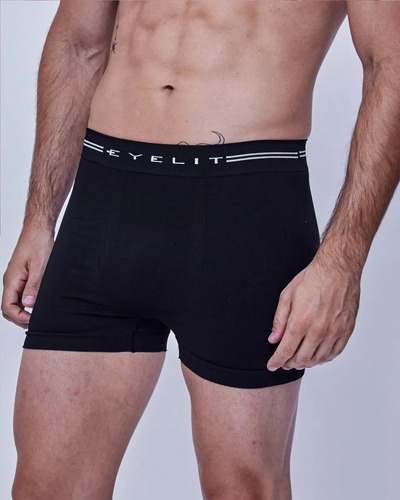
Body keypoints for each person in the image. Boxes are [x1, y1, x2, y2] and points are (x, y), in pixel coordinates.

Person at [2, 1, 400, 499]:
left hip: (245, 215)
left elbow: (390, 63)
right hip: (103, 209)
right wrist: (39, 220)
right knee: (46, 488)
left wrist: (342, 261)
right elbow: (77, 44)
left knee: (243, 488)